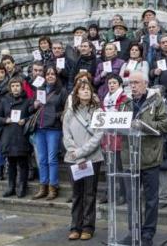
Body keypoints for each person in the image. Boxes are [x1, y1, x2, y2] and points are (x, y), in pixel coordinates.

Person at [118, 71, 167, 246]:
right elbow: (117, 124)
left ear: (145, 83)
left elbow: (165, 124)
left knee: (151, 199)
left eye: (136, 82)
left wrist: (144, 125)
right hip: (129, 158)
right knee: (132, 198)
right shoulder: (125, 103)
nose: (133, 86)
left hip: (149, 157)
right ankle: (133, 232)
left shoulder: (156, 101)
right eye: (130, 83)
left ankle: (147, 233)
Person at [63, 80, 104, 241]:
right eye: (82, 89)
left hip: (92, 158)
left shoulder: (99, 111)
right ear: (77, 93)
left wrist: (81, 152)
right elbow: (66, 136)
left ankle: (88, 227)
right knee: (76, 194)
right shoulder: (70, 112)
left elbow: (98, 136)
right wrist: (76, 153)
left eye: (88, 89)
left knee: (89, 194)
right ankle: (75, 226)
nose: (85, 91)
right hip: (73, 159)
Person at [32, 66, 68, 200]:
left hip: (53, 128)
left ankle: (53, 187)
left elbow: (66, 110)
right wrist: (34, 105)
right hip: (39, 128)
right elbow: (31, 108)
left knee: (52, 159)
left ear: (56, 76)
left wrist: (53, 115)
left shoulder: (61, 91)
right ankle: (43, 186)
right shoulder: (39, 90)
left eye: (53, 74)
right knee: (41, 159)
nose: (50, 76)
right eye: (48, 74)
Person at [0, 77, 33, 198]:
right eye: (13, 86)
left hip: (21, 135)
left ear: (21, 87)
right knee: (11, 162)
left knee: (22, 162)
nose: (15, 88)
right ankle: (11, 186)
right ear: (10, 88)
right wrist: (5, 120)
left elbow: (32, 116)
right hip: (8, 135)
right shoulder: (4, 100)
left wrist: (25, 120)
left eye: (17, 85)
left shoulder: (27, 100)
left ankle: (22, 186)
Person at [100, 74, 131, 205]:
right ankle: (110, 193)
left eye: (114, 83)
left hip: (119, 139)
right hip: (107, 139)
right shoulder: (105, 100)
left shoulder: (125, 99)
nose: (111, 85)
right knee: (109, 169)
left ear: (120, 85)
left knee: (120, 169)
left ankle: (123, 195)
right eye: (109, 83)